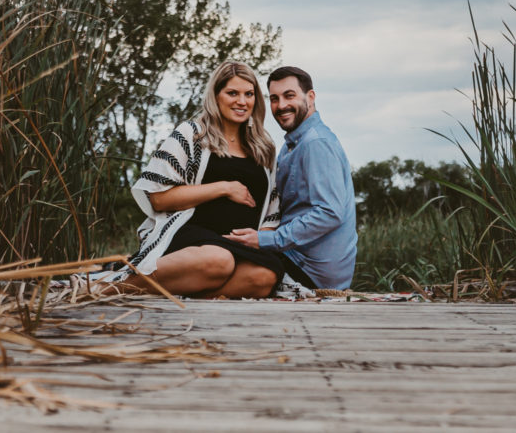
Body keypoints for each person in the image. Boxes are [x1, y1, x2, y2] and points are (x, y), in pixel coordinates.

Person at [104, 61, 283, 298]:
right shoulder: (192, 134)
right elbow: (158, 198)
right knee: (219, 259)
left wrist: (259, 237)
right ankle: (111, 286)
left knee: (264, 277)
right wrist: (223, 188)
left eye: (249, 94)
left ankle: (182, 290)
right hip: (190, 237)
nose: (242, 101)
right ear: (215, 96)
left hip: (241, 247)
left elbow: (272, 211)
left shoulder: (263, 146)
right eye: (232, 93)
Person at [225, 66, 357, 290]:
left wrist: (265, 240)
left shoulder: (316, 143)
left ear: (311, 97)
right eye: (274, 99)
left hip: (310, 271)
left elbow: (329, 213)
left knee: (218, 264)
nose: (281, 106)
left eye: (289, 96)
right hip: (296, 257)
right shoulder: (290, 146)